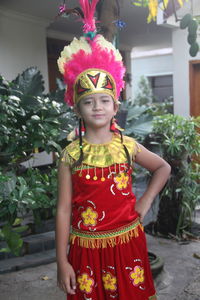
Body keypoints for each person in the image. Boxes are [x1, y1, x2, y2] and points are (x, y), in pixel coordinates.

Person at [56, 1, 171, 299]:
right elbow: (64, 209)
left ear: (115, 106)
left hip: (127, 245)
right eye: (89, 100)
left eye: (104, 100)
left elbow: (163, 167)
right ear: (78, 108)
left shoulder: (127, 145)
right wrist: (61, 261)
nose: (97, 106)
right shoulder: (70, 155)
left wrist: (144, 202)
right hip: (85, 251)